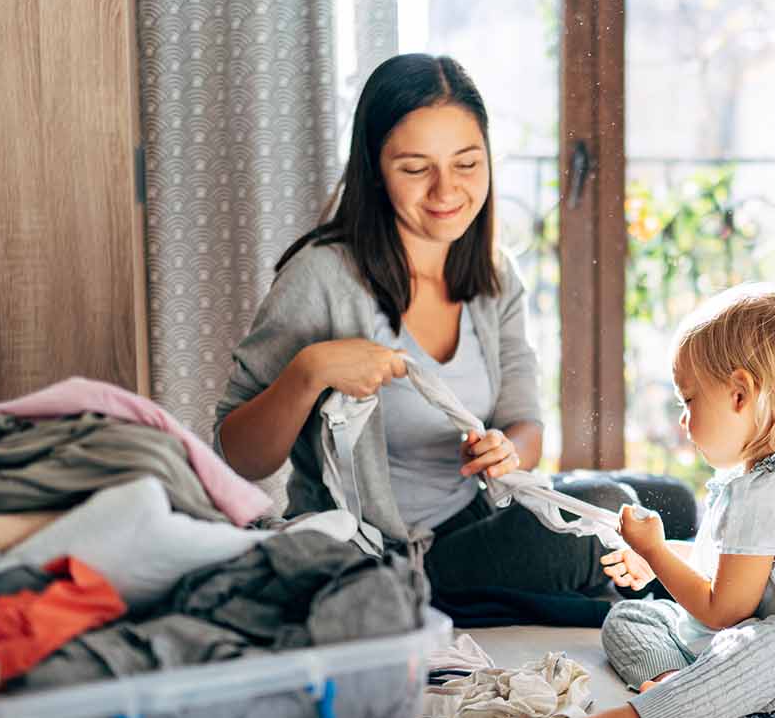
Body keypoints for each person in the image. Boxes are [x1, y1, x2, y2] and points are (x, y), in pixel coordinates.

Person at [214, 53, 622, 601]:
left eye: (467, 163)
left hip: (477, 518)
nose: (446, 191)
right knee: (599, 535)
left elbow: (525, 424)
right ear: (376, 173)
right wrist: (307, 372)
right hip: (390, 559)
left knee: (657, 507)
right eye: (414, 168)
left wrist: (508, 452)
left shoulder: (495, 274)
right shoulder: (324, 277)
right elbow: (238, 455)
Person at [593, 284, 775, 718]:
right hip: (745, 634)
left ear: (740, 394)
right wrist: (662, 554)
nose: (684, 417)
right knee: (633, 618)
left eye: (689, 399)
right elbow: (730, 565)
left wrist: (655, 552)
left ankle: (660, 708)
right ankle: (677, 688)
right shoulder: (755, 478)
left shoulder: (774, 489)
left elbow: (722, 611)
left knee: (764, 650)